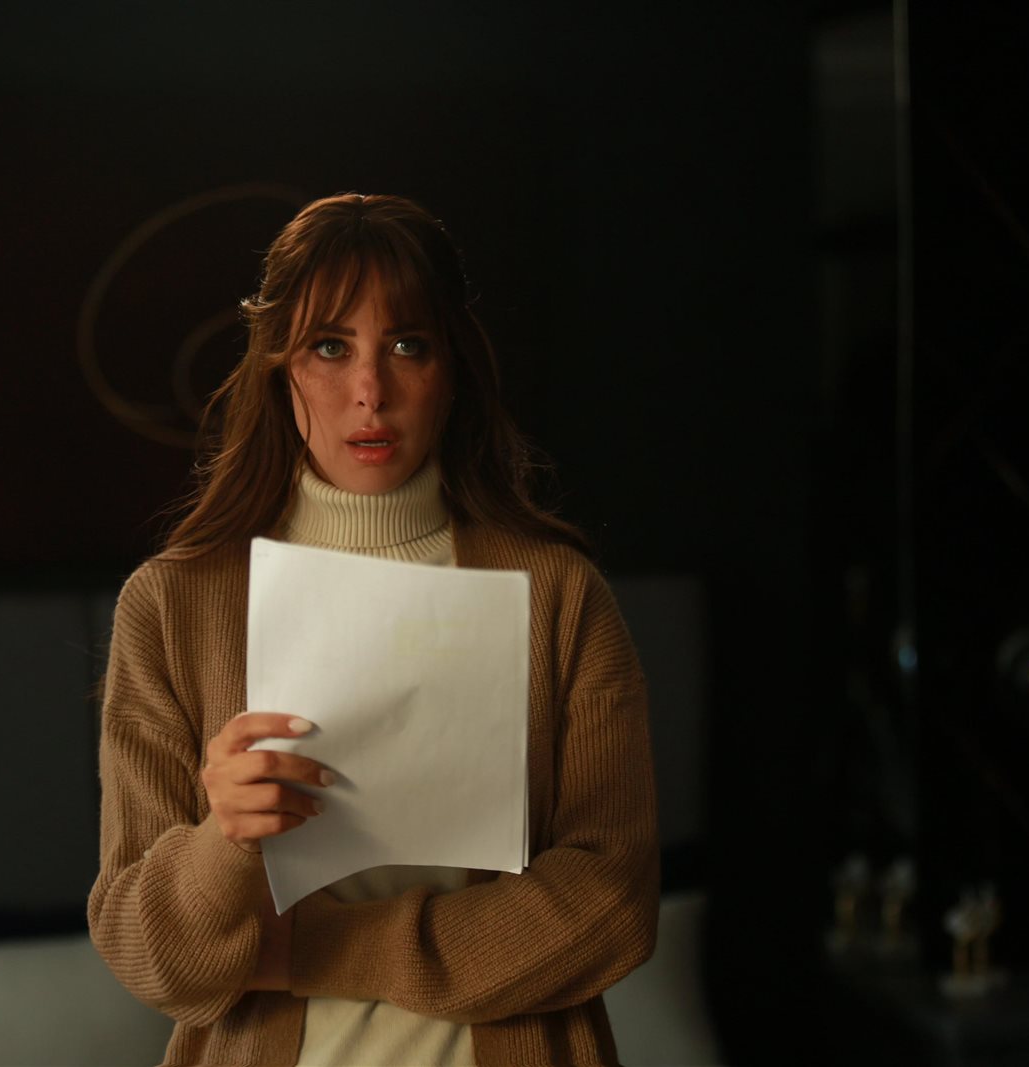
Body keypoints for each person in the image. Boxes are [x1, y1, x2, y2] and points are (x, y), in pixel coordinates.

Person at [88, 192, 659, 1066]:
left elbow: (613, 904)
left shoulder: (557, 595)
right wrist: (220, 843)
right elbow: (149, 957)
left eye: (407, 345)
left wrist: (323, 951)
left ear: (451, 369)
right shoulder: (172, 606)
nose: (370, 391)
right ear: (279, 367)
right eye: (330, 346)